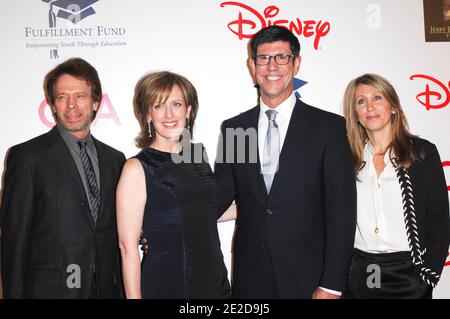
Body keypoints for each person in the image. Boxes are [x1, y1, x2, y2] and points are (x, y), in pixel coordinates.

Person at [214, 25, 357, 298]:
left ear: (296, 63)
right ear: (252, 65)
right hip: (251, 278)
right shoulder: (236, 129)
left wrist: (331, 284)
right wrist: (164, 226)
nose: (272, 66)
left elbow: (342, 213)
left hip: (310, 277)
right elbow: (216, 199)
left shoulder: (328, 128)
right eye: (264, 58)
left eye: (281, 57)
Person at [0, 58, 126, 298]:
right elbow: (14, 244)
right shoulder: (26, 157)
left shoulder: (116, 160)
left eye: (80, 96)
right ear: (52, 106)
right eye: (62, 97)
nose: (71, 106)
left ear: (96, 102)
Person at [116, 71, 231, 299]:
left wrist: (266, 203)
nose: (168, 114)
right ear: (148, 114)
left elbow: (207, 211)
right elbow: (127, 248)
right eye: (158, 106)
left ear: (188, 111)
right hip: (166, 284)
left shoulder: (198, 156)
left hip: (213, 284)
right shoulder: (136, 168)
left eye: (176, 104)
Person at [342, 73, 450, 298]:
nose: (370, 106)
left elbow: (440, 218)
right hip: (362, 271)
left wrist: (428, 274)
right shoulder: (346, 158)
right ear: (356, 114)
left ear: (393, 107)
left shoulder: (422, 152)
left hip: (409, 273)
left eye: (377, 98)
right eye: (361, 101)